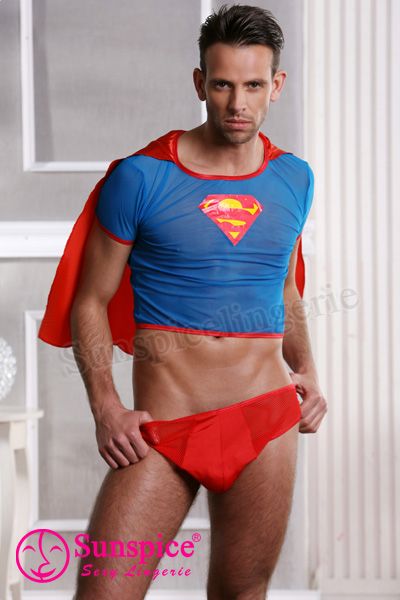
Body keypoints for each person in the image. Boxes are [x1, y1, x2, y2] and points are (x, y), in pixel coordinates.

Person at [38, 4, 327, 599]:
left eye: (253, 85)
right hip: (164, 428)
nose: (237, 103)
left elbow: (285, 287)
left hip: (264, 421)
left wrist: (308, 371)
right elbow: (91, 299)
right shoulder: (141, 177)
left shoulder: (294, 179)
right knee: (103, 592)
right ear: (200, 82)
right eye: (222, 85)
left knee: (242, 593)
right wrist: (106, 408)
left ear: (277, 85)